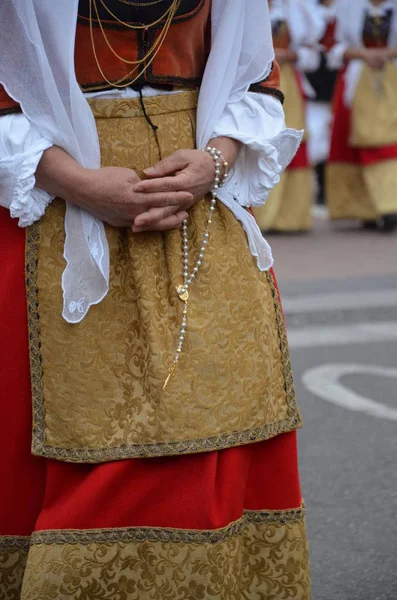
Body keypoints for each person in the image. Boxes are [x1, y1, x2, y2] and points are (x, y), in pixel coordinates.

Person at [0, 1, 310, 598]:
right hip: (50, 208)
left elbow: (254, 77)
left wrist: (212, 162)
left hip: (199, 210)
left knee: (216, 427)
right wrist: (79, 182)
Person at [253, 0, 324, 233]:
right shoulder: (246, 8)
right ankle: (263, 215)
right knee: (260, 141)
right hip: (256, 82)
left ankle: (291, 216)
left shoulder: (295, 9)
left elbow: (312, 51)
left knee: (291, 140)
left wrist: (290, 55)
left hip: (288, 83)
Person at [326, 0, 397, 231]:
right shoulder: (347, 6)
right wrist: (363, 54)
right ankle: (368, 207)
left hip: (392, 79)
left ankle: (389, 205)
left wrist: (388, 53)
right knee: (363, 142)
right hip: (358, 84)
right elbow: (332, 47)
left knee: (387, 142)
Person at [305, 0, 339, 204]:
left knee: (329, 138)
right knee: (316, 140)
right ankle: (321, 188)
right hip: (315, 84)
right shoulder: (307, 10)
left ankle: (327, 189)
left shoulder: (343, 11)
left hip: (336, 82)